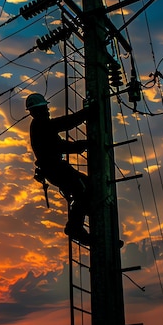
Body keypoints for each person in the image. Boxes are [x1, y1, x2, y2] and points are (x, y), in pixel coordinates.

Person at [26, 93, 92, 245]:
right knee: (83, 191)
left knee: (87, 188)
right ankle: (74, 227)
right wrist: (86, 114)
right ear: (38, 111)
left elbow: (60, 143)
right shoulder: (40, 125)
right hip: (56, 170)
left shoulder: (41, 127)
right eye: (45, 108)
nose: (48, 111)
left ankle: (85, 218)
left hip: (56, 170)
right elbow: (65, 125)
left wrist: (81, 145)